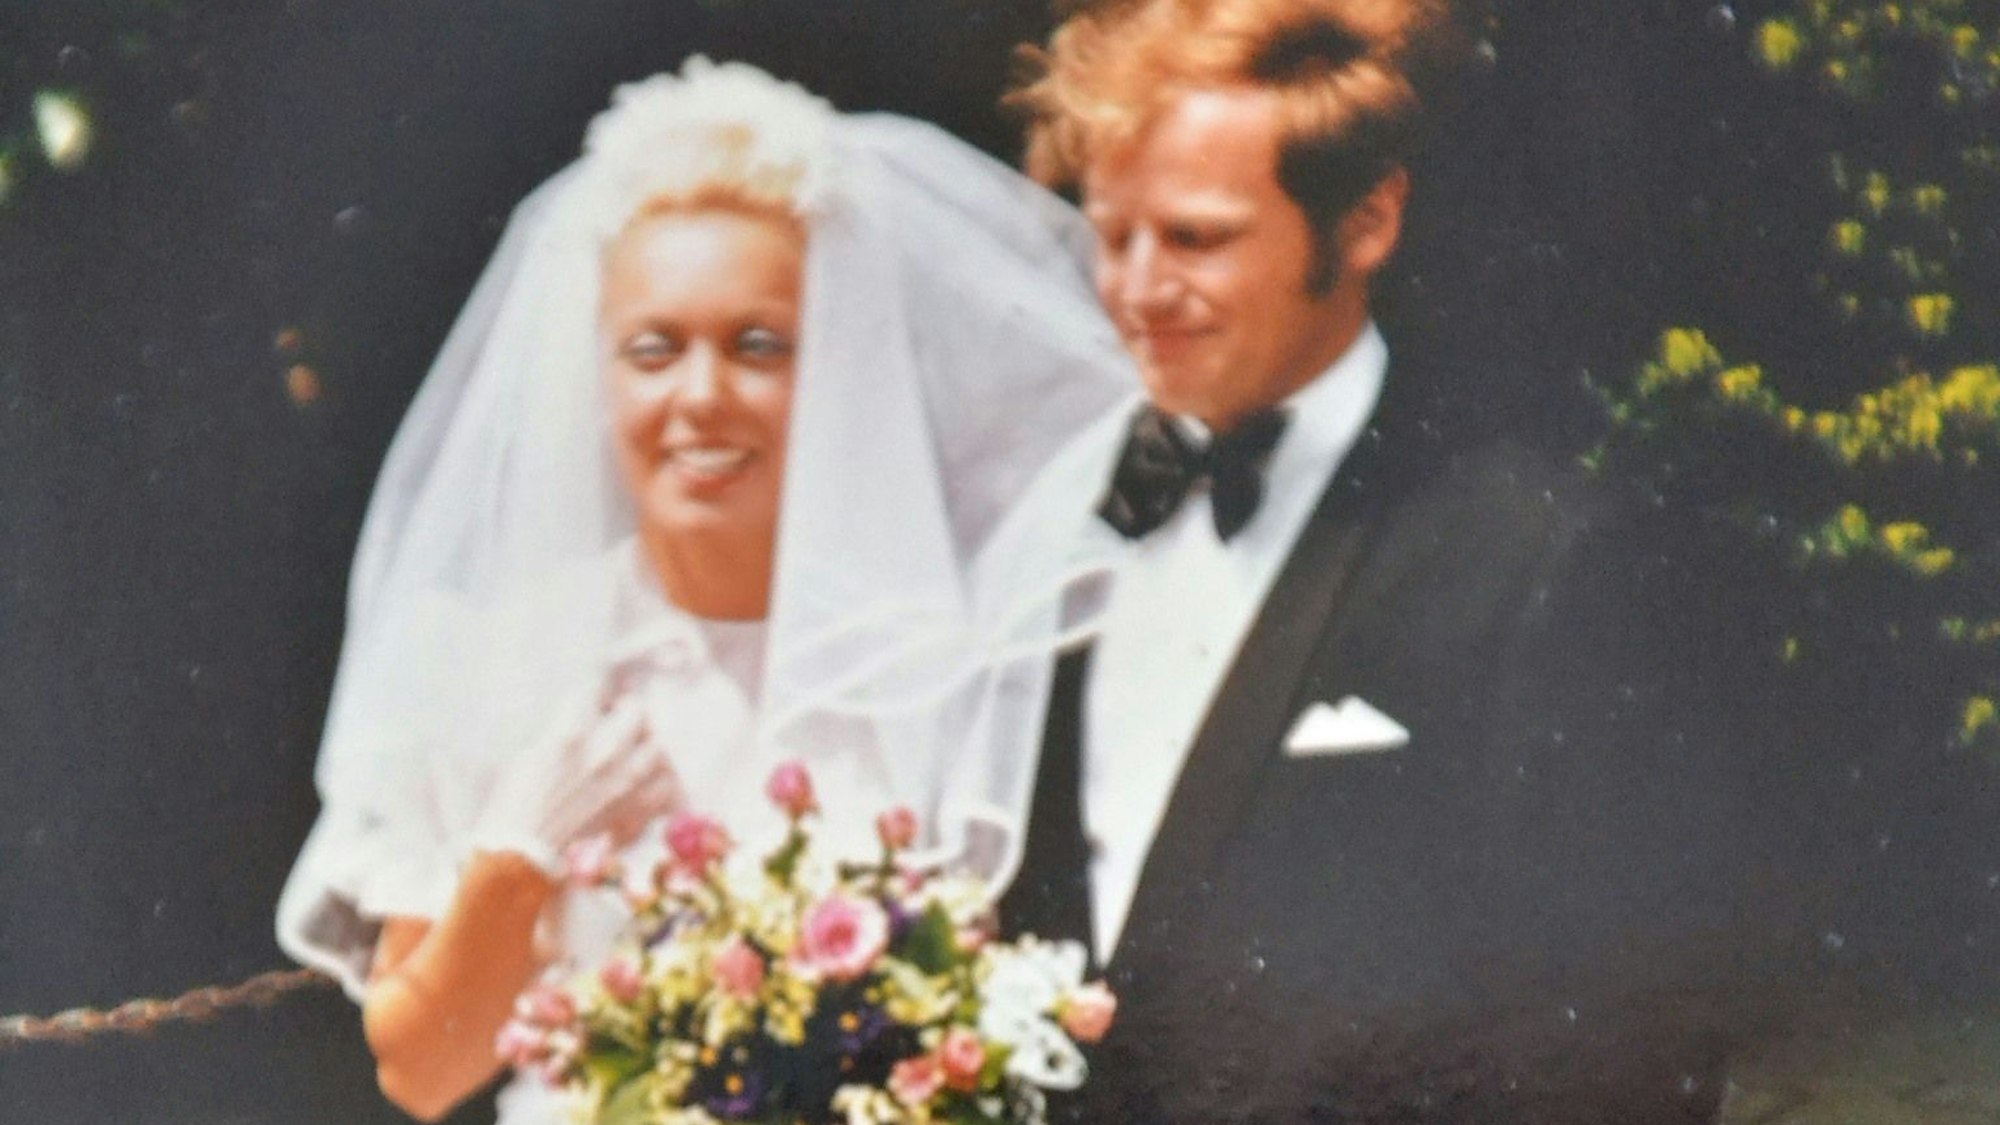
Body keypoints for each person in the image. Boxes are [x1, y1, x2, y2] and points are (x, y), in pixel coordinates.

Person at [963, 0, 1809, 1121]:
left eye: (1195, 238)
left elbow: (1626, 1050)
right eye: (1110, 236)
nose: (1136, 291)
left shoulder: (1540, 558)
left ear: (1364, 224)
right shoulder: (1057, 520)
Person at [275, 59, 1132, 1123]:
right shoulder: (491, 657)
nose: (700, 398)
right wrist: (516, 860)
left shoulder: (933, 657)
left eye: (757, 346)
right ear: (598, 376)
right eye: (652, 350)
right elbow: (421, 1071)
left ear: (837, 369)